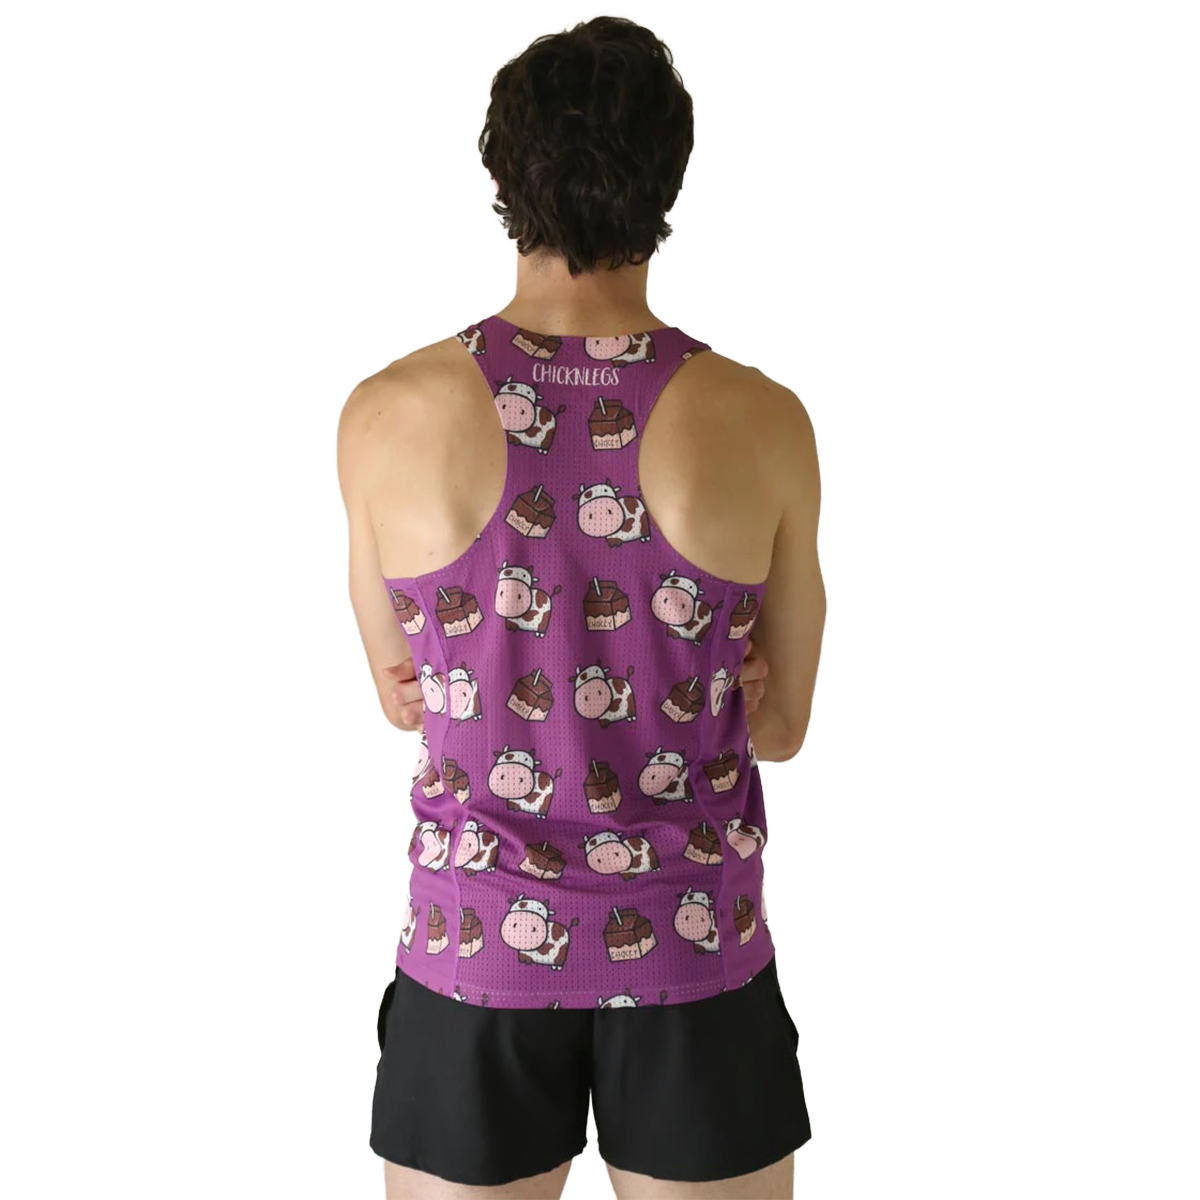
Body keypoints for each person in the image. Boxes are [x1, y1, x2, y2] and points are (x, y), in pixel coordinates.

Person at [337, 15, 825, 1200]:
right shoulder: (763, 420)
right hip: (694, 952)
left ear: (504, 176)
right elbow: (779, 725)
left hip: (474, 954)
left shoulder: (386, 414)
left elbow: (408, 699)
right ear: (668, 182)